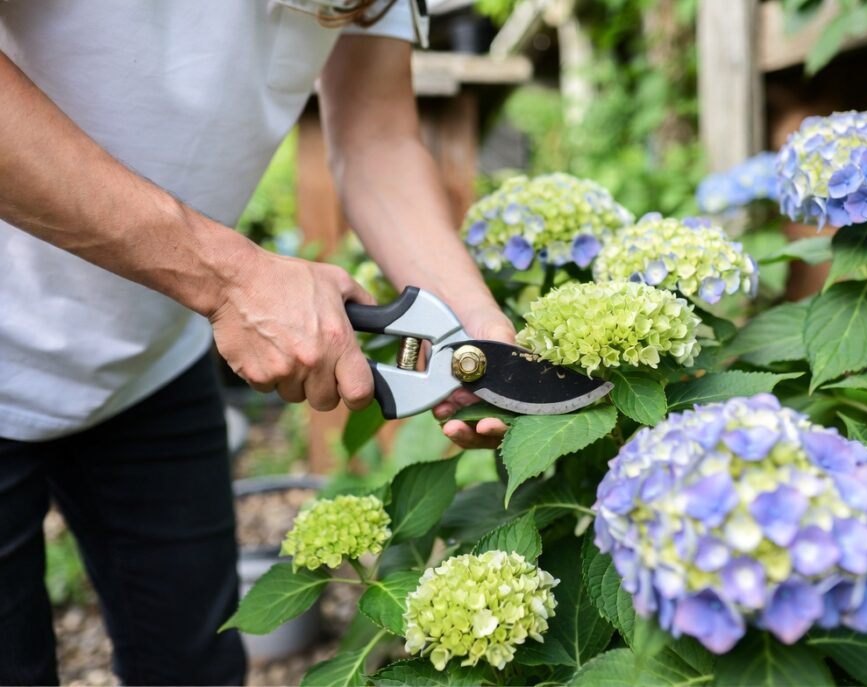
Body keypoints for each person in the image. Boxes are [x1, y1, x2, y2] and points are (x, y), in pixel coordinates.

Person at [0, 1, 511, 683]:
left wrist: (470, 324)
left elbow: (376, 136)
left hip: (151, 359)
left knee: (197, 670)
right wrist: (230, 279)